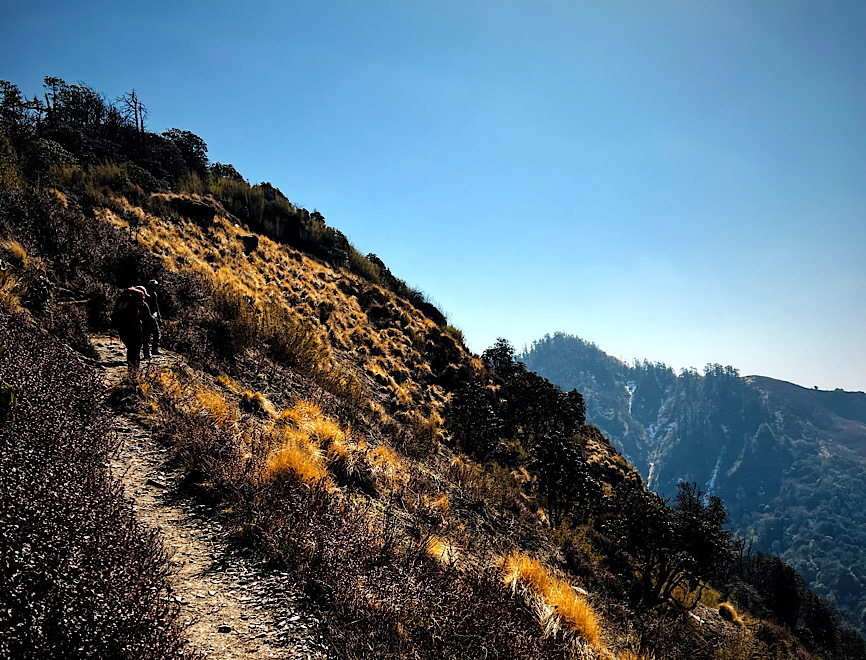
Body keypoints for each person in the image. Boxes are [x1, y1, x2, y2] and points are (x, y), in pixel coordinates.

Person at [111, 286, 149, 372]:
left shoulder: (124, 300)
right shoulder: (139, 303)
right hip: (134, 328)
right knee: (135, 349)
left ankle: (131, 370)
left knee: (130, 349)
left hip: (122, 328)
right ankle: (134, 372)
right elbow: (148, 318)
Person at [142, 279, 162, 357]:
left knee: (147, 336)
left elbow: (156, 306)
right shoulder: (150, 295)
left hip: (147, 317)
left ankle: (148, 352)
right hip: (150, 317)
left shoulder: (149, 294)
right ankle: (153, 350)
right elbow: (156, 307)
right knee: (155, 334)